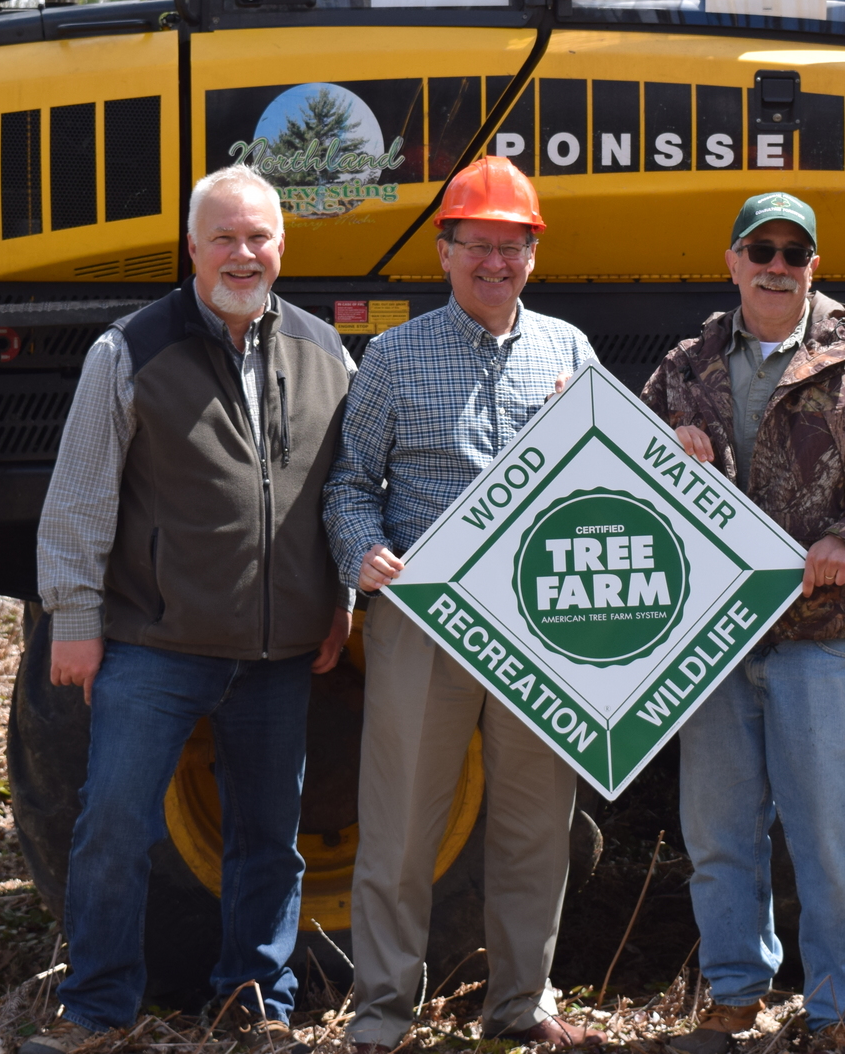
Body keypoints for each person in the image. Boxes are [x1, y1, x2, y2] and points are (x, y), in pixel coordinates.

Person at [24, 163, 355, 1054]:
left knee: (269, 842)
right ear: (193, 249)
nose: (242, 254)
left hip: (281, 651)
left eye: (258, 237)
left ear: (281, 245)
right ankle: (97, 1007)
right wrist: (76, 616)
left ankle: (257, 1006)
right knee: (114, 828)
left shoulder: (328, 354)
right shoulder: (128, 350)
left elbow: (343, 496)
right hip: (155, 644)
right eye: (224, 238)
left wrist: (341, 602)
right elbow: (82, 495)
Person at [641, 192, 845, 1054]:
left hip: (822, 638)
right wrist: (666, 435)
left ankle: (843, 1010)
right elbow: (627, 464)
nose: (777, 265)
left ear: (814, 263)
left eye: (794, 251)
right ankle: (734, 995)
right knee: (719, 834)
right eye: (761, 248)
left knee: (829, 838)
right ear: (733, 260)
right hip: (710, 641)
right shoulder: (684, 366)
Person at [322, 157, 603, 1054]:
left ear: (534, 253)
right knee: (403, 823)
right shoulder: (394, 354)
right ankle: (380, 1015)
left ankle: (521, 1005)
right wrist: (359, 549)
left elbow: (606, 479)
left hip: (538, 621)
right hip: (425, 618)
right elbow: (350, 483)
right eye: (476, 244)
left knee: (535, 825)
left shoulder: (570, 351)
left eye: (512, 245)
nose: (494, 261)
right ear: (443, 251)